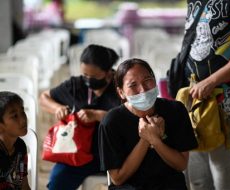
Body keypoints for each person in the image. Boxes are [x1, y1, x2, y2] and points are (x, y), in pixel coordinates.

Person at [176, 1, 230, 190]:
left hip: (229, 102)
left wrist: (211, 81)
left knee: (224, 179)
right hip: (195, 100)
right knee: (199, 179)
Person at [98, 58, 198, 190]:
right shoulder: (111, 122)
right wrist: (146, 139)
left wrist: (156, 141)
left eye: (147, 80)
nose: (143, 90)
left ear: (154, 80)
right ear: (121, 92)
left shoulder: (175, 110)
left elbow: (181, 165)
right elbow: (117, 178)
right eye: (133, 85)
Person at [39, 44, 121, 190]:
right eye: (85, 75)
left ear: (108, 72)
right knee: (57, 184)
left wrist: (98, 115)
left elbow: (130, 118)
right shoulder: (76, 85)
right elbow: (44, 98)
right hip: (77, 154)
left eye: (94, 76)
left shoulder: (120, 86)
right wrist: (57, 108)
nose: (88, 80)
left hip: (113, 155)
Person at [0, 91, 31, 190]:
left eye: (22, 112)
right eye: (14, 116)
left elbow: (24, 185)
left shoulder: (20, 146)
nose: (23, 119)